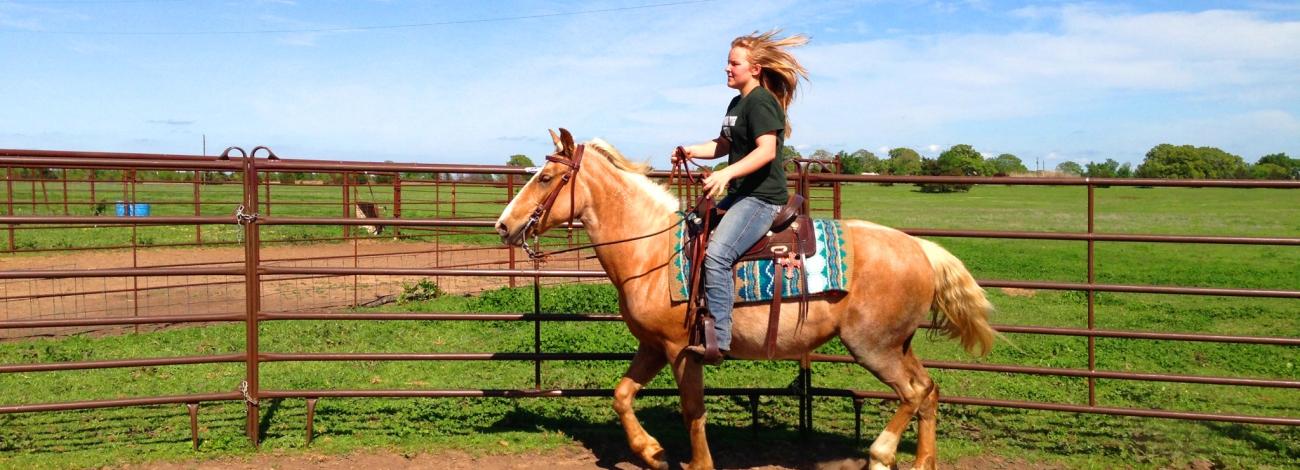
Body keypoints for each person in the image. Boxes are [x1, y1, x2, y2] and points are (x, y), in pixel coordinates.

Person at [675, 30, 808, 365]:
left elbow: (767, 151)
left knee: (717, 255)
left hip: (761, 197)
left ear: (755, 69)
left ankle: (719, 339)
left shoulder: (762, 102)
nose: (727, 68)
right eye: (728, 62)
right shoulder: (737, 103)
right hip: (740, 193)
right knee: (690, 228)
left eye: (734, 63)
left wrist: (726, 173)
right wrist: (692, 149)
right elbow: (723, 145)